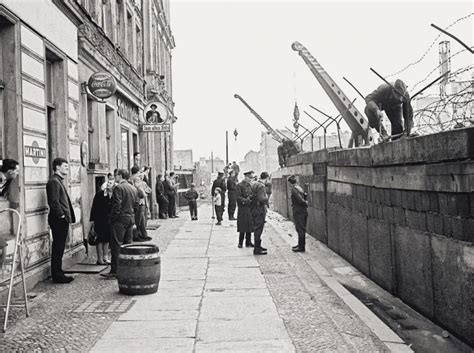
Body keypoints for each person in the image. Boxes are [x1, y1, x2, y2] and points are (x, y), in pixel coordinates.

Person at [102, 169, 138, 278]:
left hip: (120, 220)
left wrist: (113, 219)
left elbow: (116, 205)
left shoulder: (118, 188)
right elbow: (136, 205)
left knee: (116, 245)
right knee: (128, 245)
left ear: (120, 176)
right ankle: (128, 268)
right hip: (130, 218)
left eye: (115, 175)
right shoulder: (133, 188)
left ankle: (115, 270)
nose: (114, 177)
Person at [46, 158, 76, 284]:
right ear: (57, 167)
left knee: (59, 247)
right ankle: (57, 275)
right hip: (58, 220)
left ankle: (59, 272)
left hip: (60, 219)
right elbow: (54, 202)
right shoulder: (54, 181)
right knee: (58, 247)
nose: (67, 169)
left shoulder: (57, 181)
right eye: (65, 166)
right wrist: (62, 216)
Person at [0, 159, 20, 270]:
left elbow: (14, 201)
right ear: (9, 171)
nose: (17, 173)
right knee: (2, 248)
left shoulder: (8, 181)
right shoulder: (1, 179)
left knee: (3, 248)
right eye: (16, 171)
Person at [90, 179, 114, 265]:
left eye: (111, 183)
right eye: (108, 183)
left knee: (107, 239)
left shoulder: (115, 194)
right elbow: (94, 207)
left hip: (109, 220)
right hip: (100, 219)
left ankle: (105, 257)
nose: (109, 184)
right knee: (99, 239)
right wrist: (92, 220)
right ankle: (99, 259)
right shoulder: (100, 194)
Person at [129, 167, 152, 241]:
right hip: (139, 201)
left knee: (141, 219)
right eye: (140, 172)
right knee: (139, 219)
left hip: (136, 201)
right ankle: (137, 236)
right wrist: (144, 193)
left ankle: (143, 234)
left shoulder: (131, 178)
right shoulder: (136, 178)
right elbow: (139, 189)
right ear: (137, 171)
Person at [288, 175, 308, 252]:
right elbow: (305, 195)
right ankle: (300, 244)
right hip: (303, 210)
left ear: (290, 183)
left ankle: (301, 247)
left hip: (299, 211)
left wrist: (305, 203)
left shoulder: (294, 190)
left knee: (300, 229)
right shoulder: (299, 188)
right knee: (301, 228)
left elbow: (300, 200)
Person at [251, 172, 269, 255]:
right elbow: (261, 199)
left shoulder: (254, 183)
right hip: (259, 209)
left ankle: (258, 246)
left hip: (254, 208)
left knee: (257, 228)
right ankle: (257, 248)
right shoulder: (261, 186)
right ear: (267, 178)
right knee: (259, 228)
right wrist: (267, 197)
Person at [236, 171, 254, 248]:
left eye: (251, 178)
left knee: (249, 225)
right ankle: (240, 242)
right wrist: (246, 201)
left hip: (249, 208)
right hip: (243, 208)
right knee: (243, 226)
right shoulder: (239, 185)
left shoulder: (250, 186)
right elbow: (238, 197)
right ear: (246, 177)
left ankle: (248, 242)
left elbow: (252, 194)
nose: (250, 179)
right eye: (249, 178)